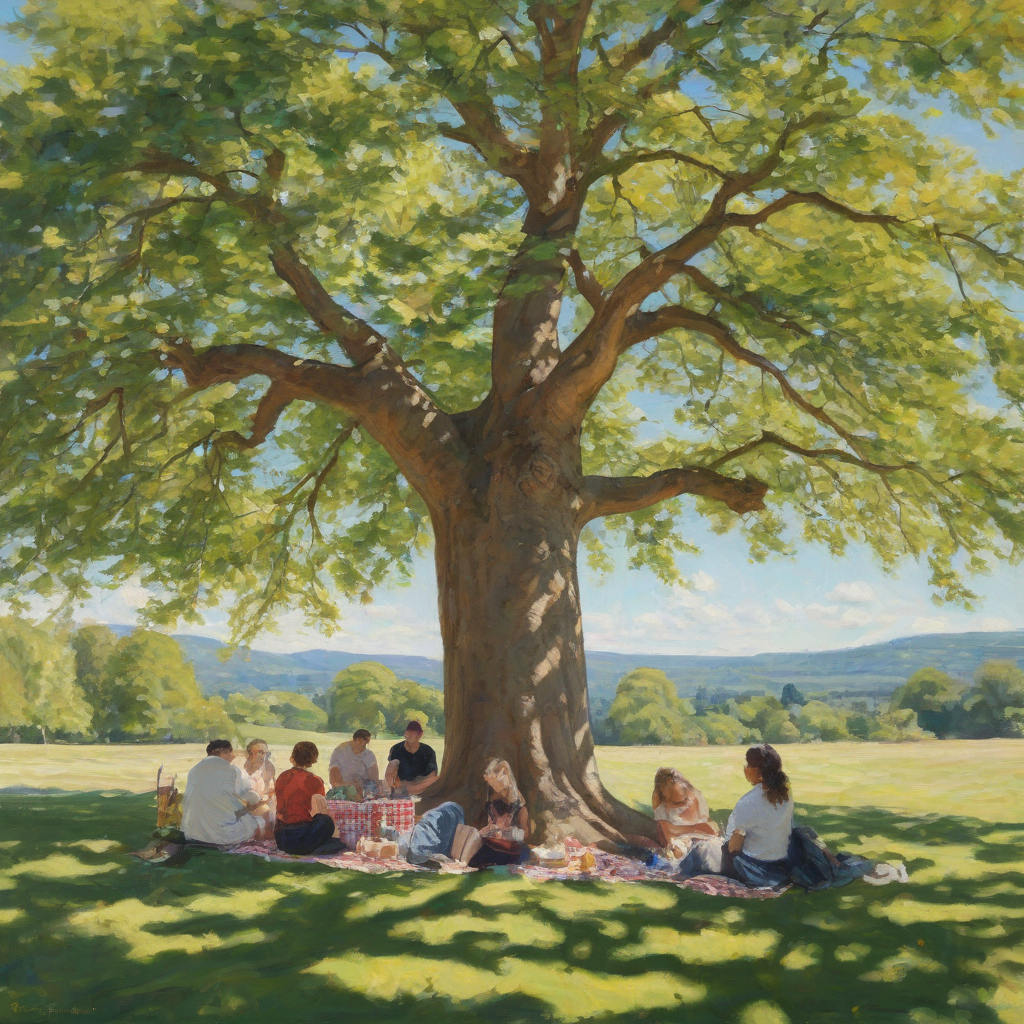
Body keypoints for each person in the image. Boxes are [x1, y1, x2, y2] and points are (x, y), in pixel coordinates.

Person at [181, 739, 264, 846]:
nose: (233, 756)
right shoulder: (232, 771)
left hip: (192, 832)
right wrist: (257, 801)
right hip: (221, 835)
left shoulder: (194, 770)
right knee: (256, 821)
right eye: (230, 752)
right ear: (218, 752)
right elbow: (248, 797)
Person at [274, 741, 345, 856]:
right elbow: (319, 810)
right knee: (326, 820)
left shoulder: (282, 776)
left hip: (282, 837)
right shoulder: (314, 780)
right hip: (301, 836)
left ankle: (319, 846)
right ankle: (321, 847)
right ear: (313, 758)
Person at [461, 758, 531, 868]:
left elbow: (525, 834)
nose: (493, 787)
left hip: (510, 848)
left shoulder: (518, 805)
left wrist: (509, 833)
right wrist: (489, 830)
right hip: (494, 844)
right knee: (475, 858)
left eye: (495, 783)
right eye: (491, 784)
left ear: (505, 775)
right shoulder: (493, 801)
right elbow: (491, 825)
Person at [651, 767, 717, 851]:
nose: (686, 802)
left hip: (704, 842)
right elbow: (666, 837)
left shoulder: (696, 796)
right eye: (677, 803)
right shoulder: (662, 810)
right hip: (682, 846)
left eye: (686, 796)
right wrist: (695, 829)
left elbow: (708, 828)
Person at [236, 738, 276, 839]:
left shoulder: (268, 768)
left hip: (262, 805)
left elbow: (272, 791)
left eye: (266, 753)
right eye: (260, 752)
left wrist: (264, 801)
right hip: (242, 806)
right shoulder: (239, 769)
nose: (264, 756)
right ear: (249, 753)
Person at [385, 721, 438, 797]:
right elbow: (390, 772)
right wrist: (397, 784)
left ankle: (409, 791)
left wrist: (416, 787)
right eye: (408, 733)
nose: (410, 736)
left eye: (413, 733)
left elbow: (433, 775)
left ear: (420, 735)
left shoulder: (428, 751)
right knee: (392, 772)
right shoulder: (396, 749)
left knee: (435, 779)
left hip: (421, 784)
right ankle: (403, 791)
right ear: (405, 734)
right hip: (402, 783)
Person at [327, 729, 379, 800]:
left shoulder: (369, 755)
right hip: (344, 787)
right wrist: (346, 785)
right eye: (359, 739)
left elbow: (374, 777)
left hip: (363, 788)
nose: (360, 742)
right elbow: (334, 772)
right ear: (354, 739)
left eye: (364, 740)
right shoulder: (341, 751)